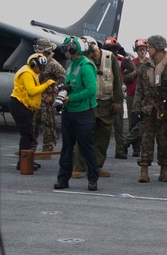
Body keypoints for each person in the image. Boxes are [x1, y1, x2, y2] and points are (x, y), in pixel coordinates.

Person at [72, 37, 123, 179]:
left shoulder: (109, 57)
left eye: (93, 52)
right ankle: (78, 167)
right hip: (89, 103)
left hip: (106, 102)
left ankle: (96, 167)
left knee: (103, 137)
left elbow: (117, 79)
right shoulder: (82, 59)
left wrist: (118, 100)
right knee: (84, 135)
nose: (92, 55)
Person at [54, 37, 99, 191]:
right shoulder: (71, 65)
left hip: (82, 114)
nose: (65, 51)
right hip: (69, 113)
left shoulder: (86, 66)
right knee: (67, 148)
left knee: (86, 148)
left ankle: (93, 180)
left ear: (73, 49)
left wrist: (70, 98)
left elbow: (91, 90)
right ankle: (63, 179)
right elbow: (71, 85)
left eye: (67, 48)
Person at [131, 35, 167, 182]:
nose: (148, 49)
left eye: (150, 47)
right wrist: (136, 108)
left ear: (158, 48)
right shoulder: (145, 67)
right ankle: (144, 169)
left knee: (163, 142)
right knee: (146, 141)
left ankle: (164, 170)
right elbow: (139, 89)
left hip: (164, 111)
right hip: (147, 110)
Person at [8, 52, 55, 171]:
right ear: (34, 64)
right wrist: (47, 84)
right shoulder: (27, 73)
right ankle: (23, 162)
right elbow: (32, 91)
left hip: (24, 106)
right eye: (41, 67)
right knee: (27, 135)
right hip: (19, 105)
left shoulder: (31, 72)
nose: (41, 70)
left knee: (28, 134)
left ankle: (26, 161)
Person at [104, 37, 137, 159]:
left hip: (116, 94)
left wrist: (125, 55)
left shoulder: (121, 60)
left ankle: (120, 150)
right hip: (103, 95)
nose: (112, 52)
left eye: (114, 49)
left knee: (119, 126)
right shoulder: (101, 59)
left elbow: (133, 68)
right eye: (109, 49)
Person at [31, 38, 66, 152]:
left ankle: (48, 147)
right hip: (36, 97)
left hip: (47, 98)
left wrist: (54, 89)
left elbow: (63, 77)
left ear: (46, 51)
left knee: (48, 123)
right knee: (34, 123)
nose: (37, 52)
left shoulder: (53, 64)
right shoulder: (37, 62)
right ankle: (31, 147)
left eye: (40, 50)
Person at [126, 38, 148, 157]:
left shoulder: (150, 62)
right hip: (132, 95)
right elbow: (126, 79)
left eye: (144, 49)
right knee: (133, 122)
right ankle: (135, 148)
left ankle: (142, 146)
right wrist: (135, 72)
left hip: (146, 97)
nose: (142, 52)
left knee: (145, 122)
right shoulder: (131, 63)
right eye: (140, 49)